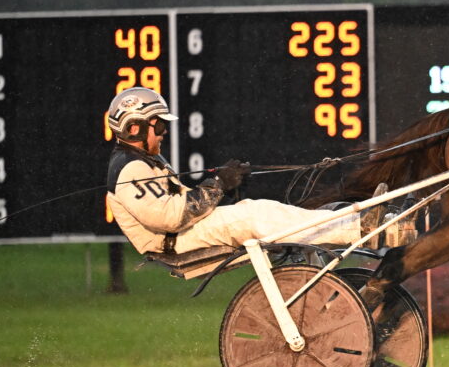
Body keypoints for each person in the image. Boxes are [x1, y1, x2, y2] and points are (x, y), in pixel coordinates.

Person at [104, 87, 404, 255]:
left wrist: (224, 185)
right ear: (134, 127)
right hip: (174, 242)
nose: (164, 131)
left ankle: (369, 223)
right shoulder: (130, 168)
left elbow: (178, 206)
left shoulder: (144, 160)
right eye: (159, 125)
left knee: (258, 210)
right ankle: (360, 228)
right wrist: (218, 184)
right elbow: (169, 217)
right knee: (255, 215)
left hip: (183, 235)